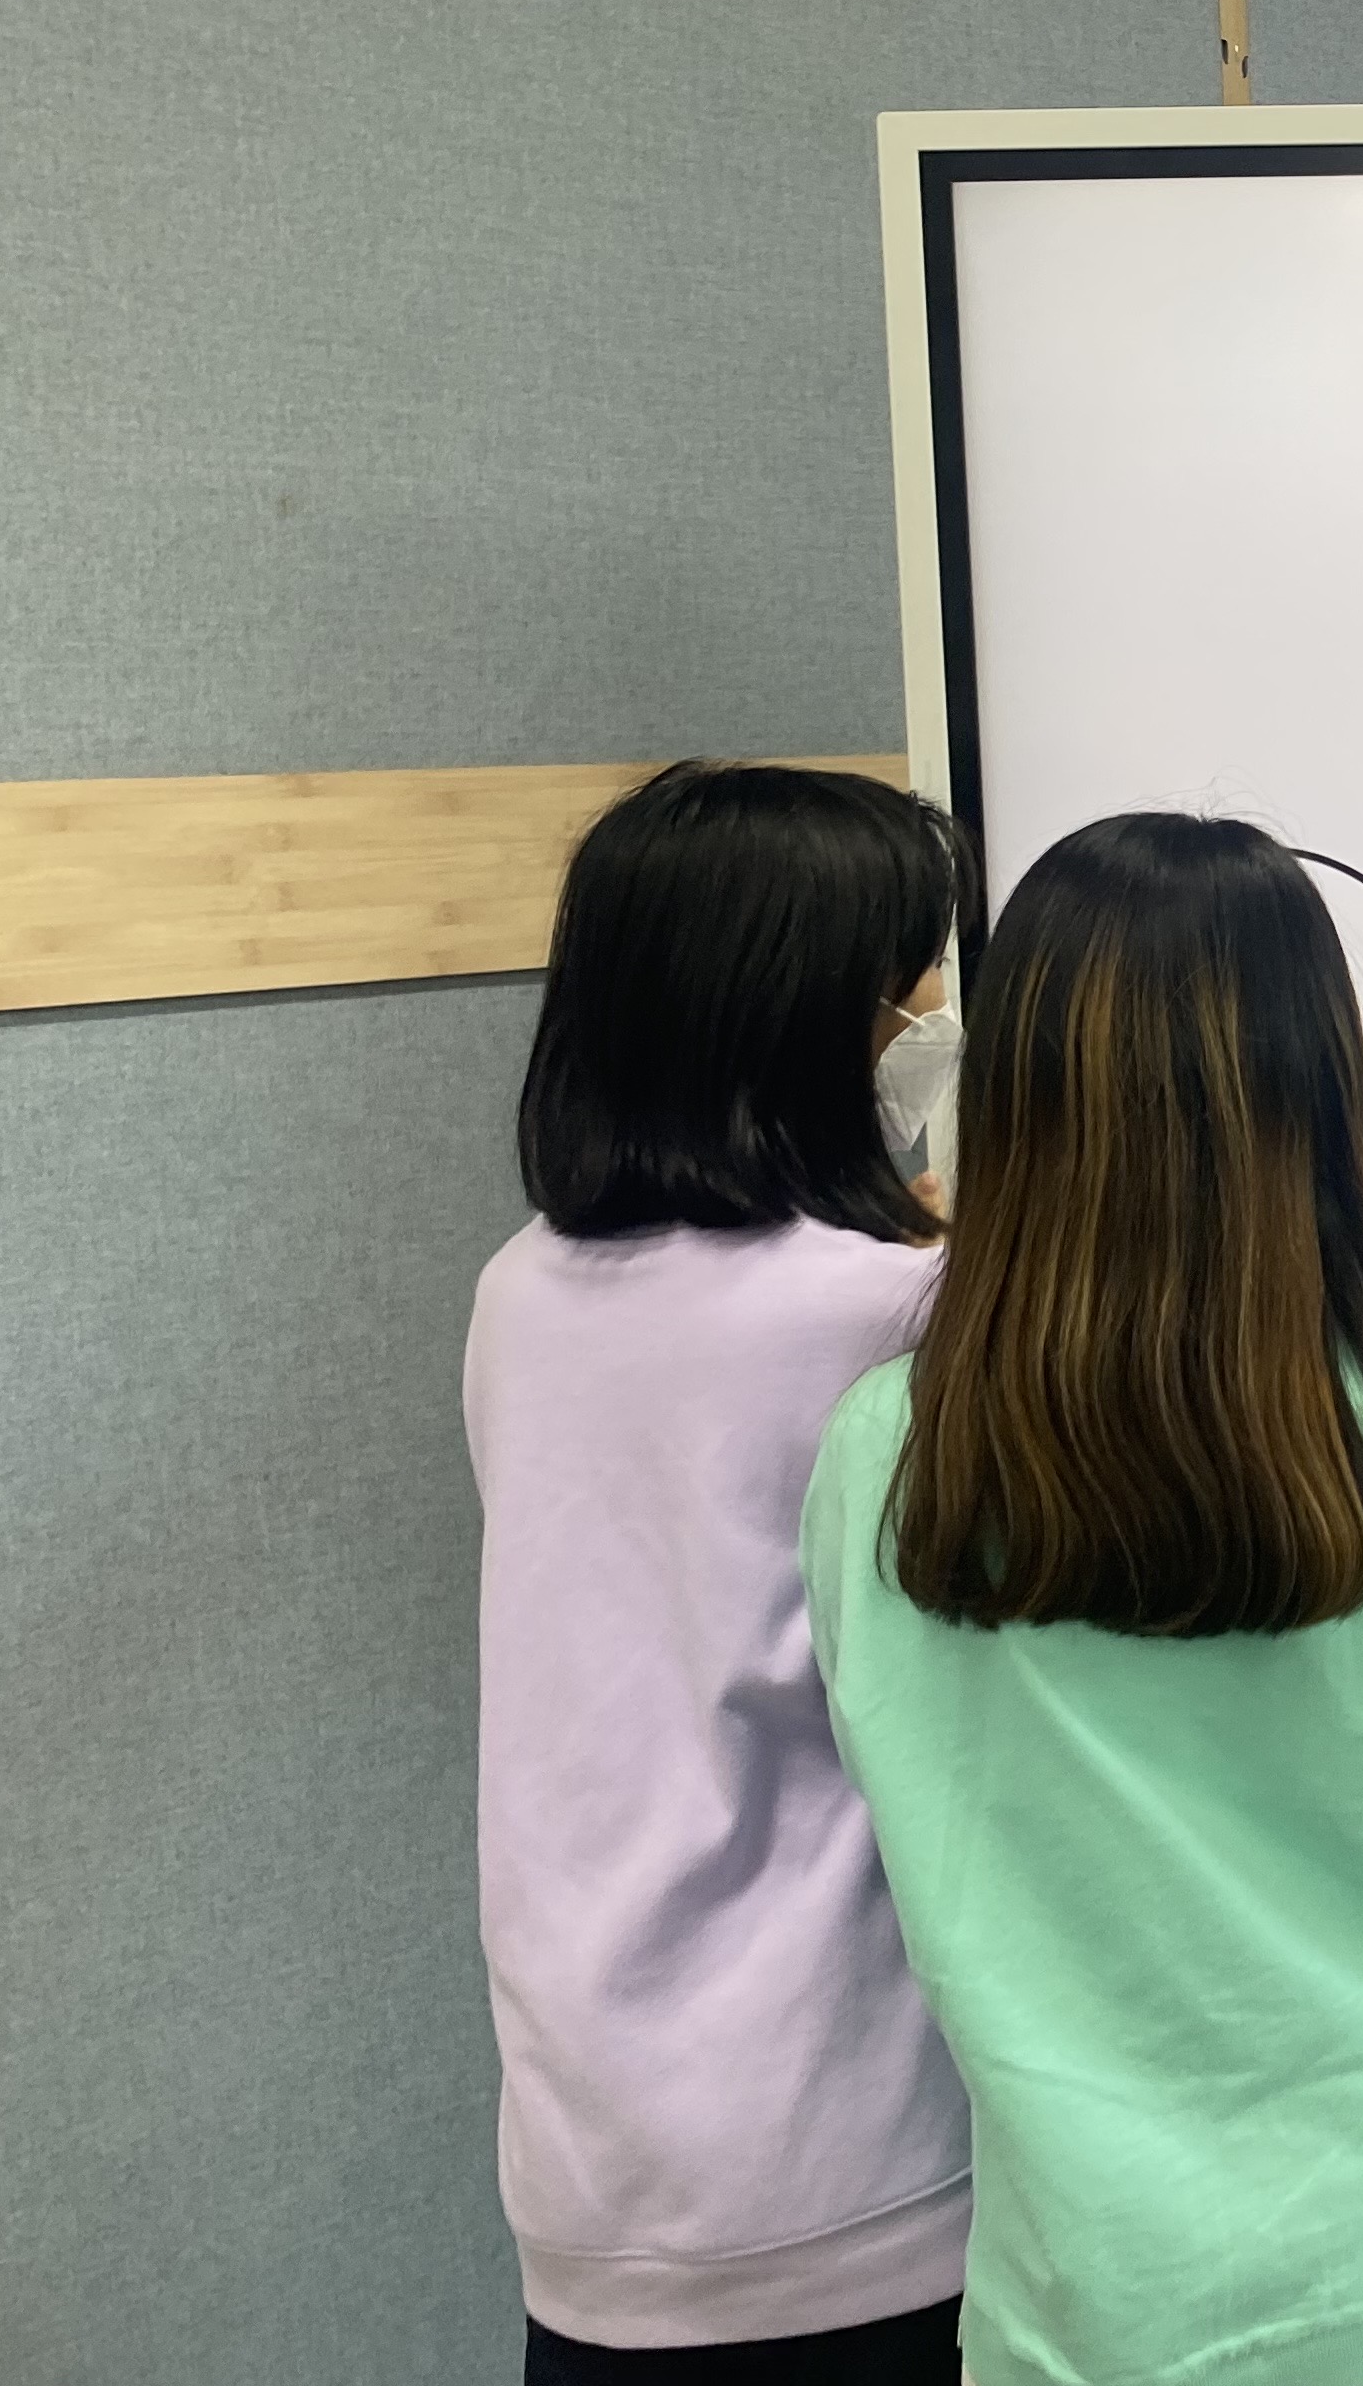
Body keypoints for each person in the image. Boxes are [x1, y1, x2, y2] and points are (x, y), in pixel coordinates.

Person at [800, 813, 1363, 2386]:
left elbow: (905, 1774)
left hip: (1093, 2293)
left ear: (1015, 1088)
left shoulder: (883, 1457)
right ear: (1315, 1086)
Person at [465, 760, 980, 2383]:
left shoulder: (520, 1293)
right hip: (852, 2146)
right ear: (811, 1020)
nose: (936, 1020)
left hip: (591, 2151)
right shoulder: (894, 1314)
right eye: (912, 985)